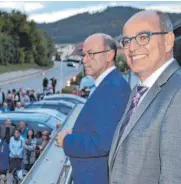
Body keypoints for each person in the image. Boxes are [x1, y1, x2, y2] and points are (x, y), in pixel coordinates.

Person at [108, 11, 181, 183]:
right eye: (127, 41)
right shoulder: (139, 91)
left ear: (168, 41)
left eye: (143, 37)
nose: (131, 48)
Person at [55, 33, 131, 184]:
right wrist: (78, 133)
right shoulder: (109, 84)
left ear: (109, 55)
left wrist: (67, 141)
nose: (84, 60)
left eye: (91, 54)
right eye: (84, 55)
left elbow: (103, 143)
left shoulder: (112, 89)